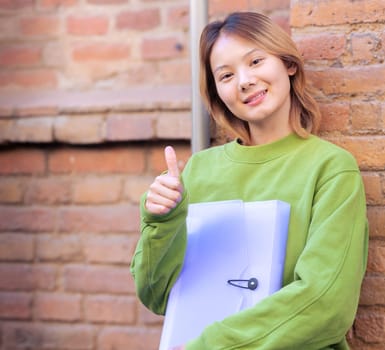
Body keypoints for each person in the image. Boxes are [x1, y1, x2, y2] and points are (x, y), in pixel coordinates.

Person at [130, 11, 369, 350]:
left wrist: (212, 345)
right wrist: (161, 221)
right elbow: (157, 296)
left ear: (288, 64)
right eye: (226, 75)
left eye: (255, 61)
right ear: (217, 92)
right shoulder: (197, 171)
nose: (244, 80)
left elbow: (326, 305)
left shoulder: (330, 168)